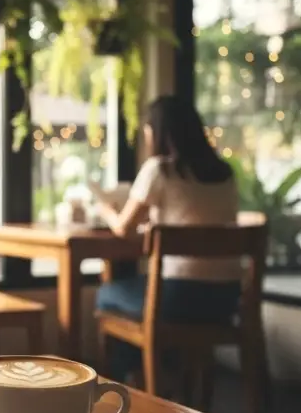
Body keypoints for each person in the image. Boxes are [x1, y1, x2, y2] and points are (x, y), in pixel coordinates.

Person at [94, 95, 242, 382]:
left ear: (157, 132)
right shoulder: (225, 173)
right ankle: (167, 376)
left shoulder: (158, 169)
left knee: (107, 294)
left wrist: (106, 210)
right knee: (143, 296)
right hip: (225, 299)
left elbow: (124, 229)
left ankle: (137, 382)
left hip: (177, 298)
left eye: (148, 130)